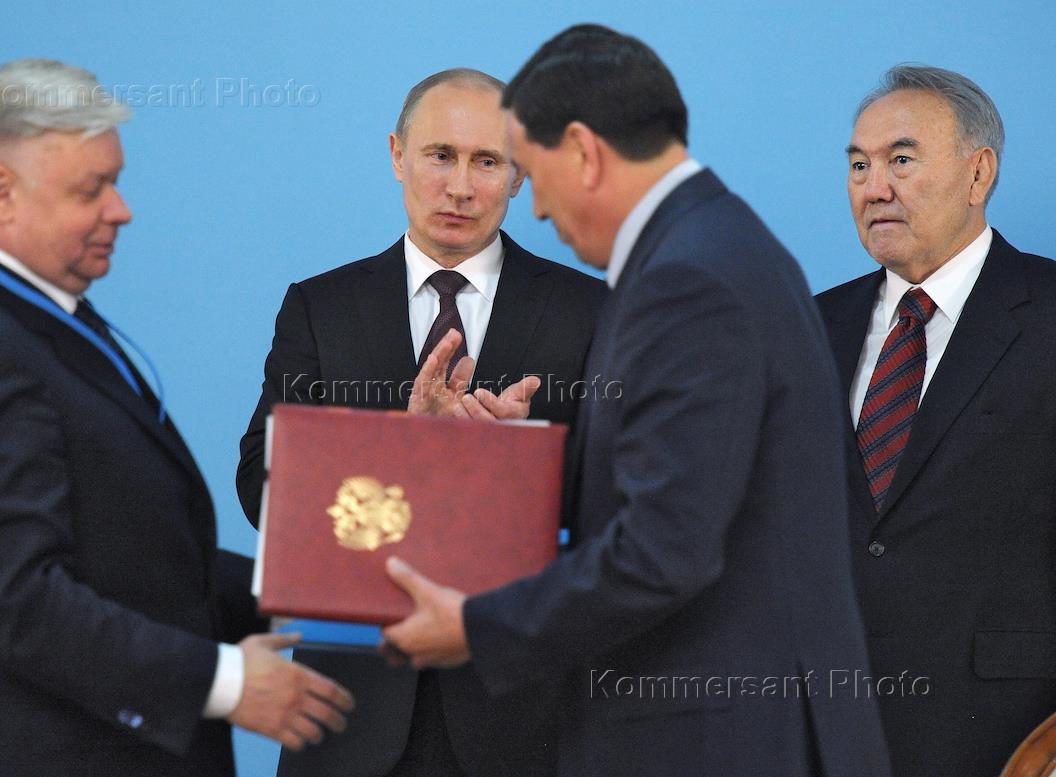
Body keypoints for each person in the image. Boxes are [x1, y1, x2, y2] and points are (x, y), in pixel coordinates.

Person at [381, 25, 890, 777]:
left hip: (717, 741)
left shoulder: (686, 279)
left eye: (531, 173)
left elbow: (663, 550)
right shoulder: (718, 246)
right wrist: (514, 461)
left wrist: (477, 626)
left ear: (583, 152)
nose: (537, 211)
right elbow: (695, 486)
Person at [0, 59, 353, 777]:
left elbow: (131, 559)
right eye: (90, 189)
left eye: (115, 182)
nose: (121, 209)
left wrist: (296, 594)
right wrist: (225, 682)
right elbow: (20, 603)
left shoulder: (36, 321)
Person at [236, 68, 605, 777]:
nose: (460, 187)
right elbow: (263, 488)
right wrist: (408, 446)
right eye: (440, 155)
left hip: (525, 721)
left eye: (487, 161)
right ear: (397, 155)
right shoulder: (320, 307)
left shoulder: (588, 313)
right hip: (346, 713)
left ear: (520, 174)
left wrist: (513, 462)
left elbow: (624, 515)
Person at [815, 64, 1056, 776]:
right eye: (858, 165)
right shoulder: (810, 325)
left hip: (1010, 736)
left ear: (979, 173)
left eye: (901, 159)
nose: (874, 187)